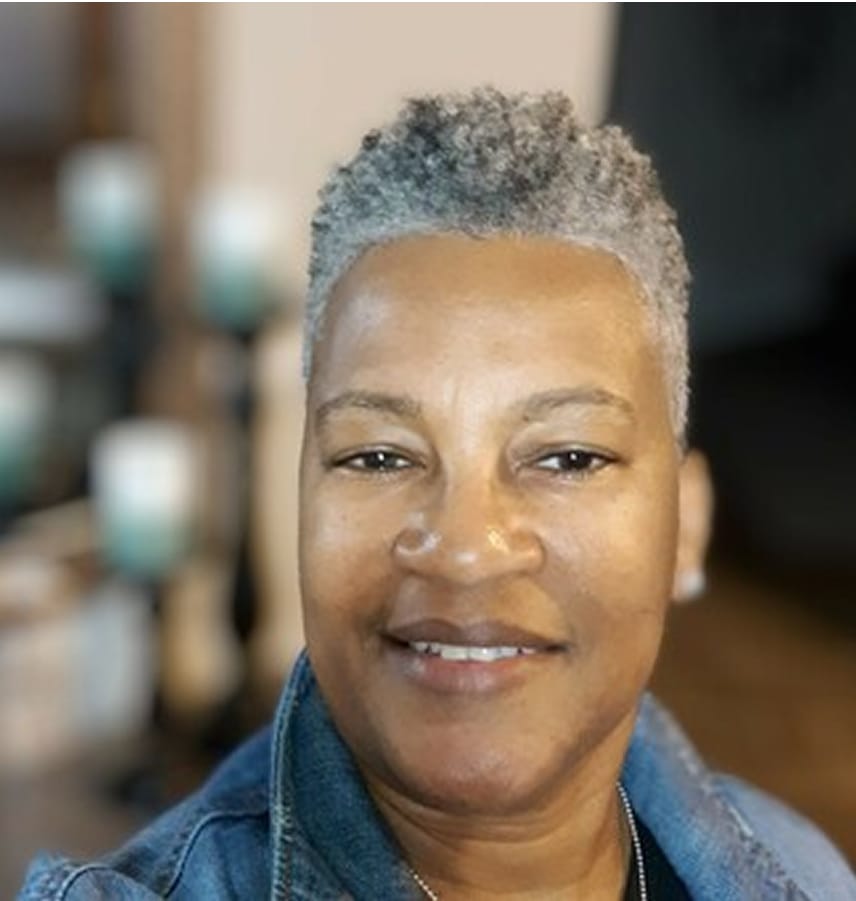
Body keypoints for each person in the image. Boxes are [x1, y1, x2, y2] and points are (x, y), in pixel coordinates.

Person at [19, 88, 855, 900]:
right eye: (379, 457)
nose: (464, 547)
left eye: (566, 456)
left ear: (688, 525)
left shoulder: (796, 864)